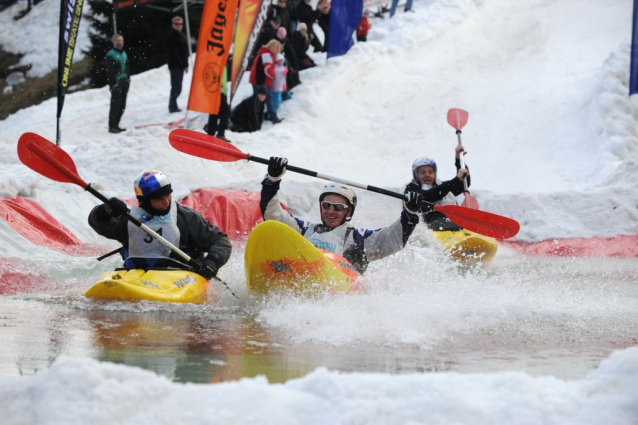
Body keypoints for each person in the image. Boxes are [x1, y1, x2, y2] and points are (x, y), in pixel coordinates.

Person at [259, 157, 423, 274]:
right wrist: (272, 180)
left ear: (349, 211)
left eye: (338, 207)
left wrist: (409, 213)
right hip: (306, 281)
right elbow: (272, 215)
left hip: (341, 291)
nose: (331, 211)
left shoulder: (359, 239)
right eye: (326, 206)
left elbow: (393, 239)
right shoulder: (303, 230)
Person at [88, 170, 232, 279]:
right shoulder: (130, 219)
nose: (166, 202)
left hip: (180, 279)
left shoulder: (186, 218)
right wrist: (105, 209)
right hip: (136, 278)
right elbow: (98, 223)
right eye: (158, 198)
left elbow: (221, 240)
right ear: (144, 201)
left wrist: (212, 263)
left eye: (167, 195)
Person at [405, 145, 470, 231]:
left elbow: (463, 184)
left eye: (430, 172)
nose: (427, 175)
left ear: (435, 174)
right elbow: (428, 196)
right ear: (416, 175)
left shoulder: (443, 187)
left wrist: (459, 160)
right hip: (431, 228)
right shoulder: (411, 188)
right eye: (422, 172)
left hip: (453, 225)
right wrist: (456, 179)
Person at [249, 39, 283, 124]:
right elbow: (267, 69)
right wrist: (275, 76)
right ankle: (273, 118)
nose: (275, 48)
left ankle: (256, 118)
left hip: (258, 79)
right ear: (269, 46)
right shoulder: (267, 55)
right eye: (273, 46)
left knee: (258, 99)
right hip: (261, 80)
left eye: (277, 47)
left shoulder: (265, 53)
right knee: (268, 98)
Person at [105, 34, 130, 134]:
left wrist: (128, 79)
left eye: (121, 41)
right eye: (117, 41)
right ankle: (112, 126)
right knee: (115, 104)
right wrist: (113, 83)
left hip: (125, 81)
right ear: (114, 42)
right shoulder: (110, 55)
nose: (119, 43)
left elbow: (127, 67)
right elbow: (109, 71)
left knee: (122, 104)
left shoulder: (124, 53)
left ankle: (117, 124)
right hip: (117, 82)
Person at [166, 16, 189, 113]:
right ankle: (172, 106)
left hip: (180, 65)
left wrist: (186, 64)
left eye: (180, 24)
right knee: (176, 86)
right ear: (173, 25)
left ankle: (173, 105)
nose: (179, 26)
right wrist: (181, 62)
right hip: (175, 65)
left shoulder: (182, 36)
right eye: (177, 24)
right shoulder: (171, 37)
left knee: (178, 86)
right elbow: (173, 52)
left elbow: (185, 51)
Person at [205, 65, 231, 143]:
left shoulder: (223, 62)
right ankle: (220, 134)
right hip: (218, 91)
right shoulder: (219, 60)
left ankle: (211, 134)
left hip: (221, 90)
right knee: (225, 111)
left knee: (215, 112)